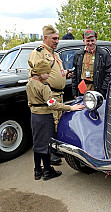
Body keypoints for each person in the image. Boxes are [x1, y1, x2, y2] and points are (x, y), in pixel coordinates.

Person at [26, 59, 84, 181]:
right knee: (47, 144)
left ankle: (37, 170)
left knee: (37, 144)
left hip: (34, 116)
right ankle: (47, 170)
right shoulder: (44, 87)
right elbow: (52, 104)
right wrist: (70, 108)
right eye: (47, 73)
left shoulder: (30, 83)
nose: (48, 75)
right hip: (45, 117)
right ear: (41, 73)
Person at [29, 24, 72, 165]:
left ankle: (55, 148)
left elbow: (56, 71)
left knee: (58, 123)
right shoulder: (39, 52)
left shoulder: (56, 53)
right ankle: (49, 153)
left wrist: (65, 73)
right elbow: (35, 74)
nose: (57, 41)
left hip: (59, 93)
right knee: (50, 125)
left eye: (58, 38)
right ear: (45, 38)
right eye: (54, 38)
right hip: (49, 94)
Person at [72, 29, 111, 98]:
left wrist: (103, 90)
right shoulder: (78, 55)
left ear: (96, 40)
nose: (90, 43)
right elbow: (75, 74)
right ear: (84, 41)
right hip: (82, 90)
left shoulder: (103, 54)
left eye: (92, 40)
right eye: (88, 41)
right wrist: (74, 92)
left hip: (97, 90)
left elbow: (109, 73)